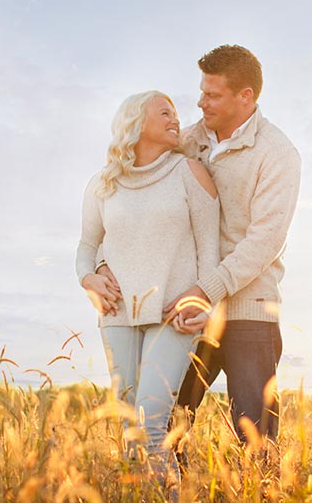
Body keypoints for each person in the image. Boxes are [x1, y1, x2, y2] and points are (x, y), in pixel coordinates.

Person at [159, 44, 302, 449]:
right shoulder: (188, 140)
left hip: (248, 311)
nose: (201, 102)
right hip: (188, 308)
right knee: (167, 427)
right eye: (201, 92)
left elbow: (266, 240)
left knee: (255, 440)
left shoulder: (277, 154)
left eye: (213, 95)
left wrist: (207, 290)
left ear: (246, 96)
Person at [75, 90, 220, 491]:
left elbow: (211, 249)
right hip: (117, 316)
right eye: (165, 113)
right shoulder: (103, 185)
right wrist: (88, 278)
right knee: (130, 435)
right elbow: (87, 247)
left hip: (175, 314)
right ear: (136, 123)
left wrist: (207, 300)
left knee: (151, 426)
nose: (176, 119)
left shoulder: (189, 172)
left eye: (176, 113)